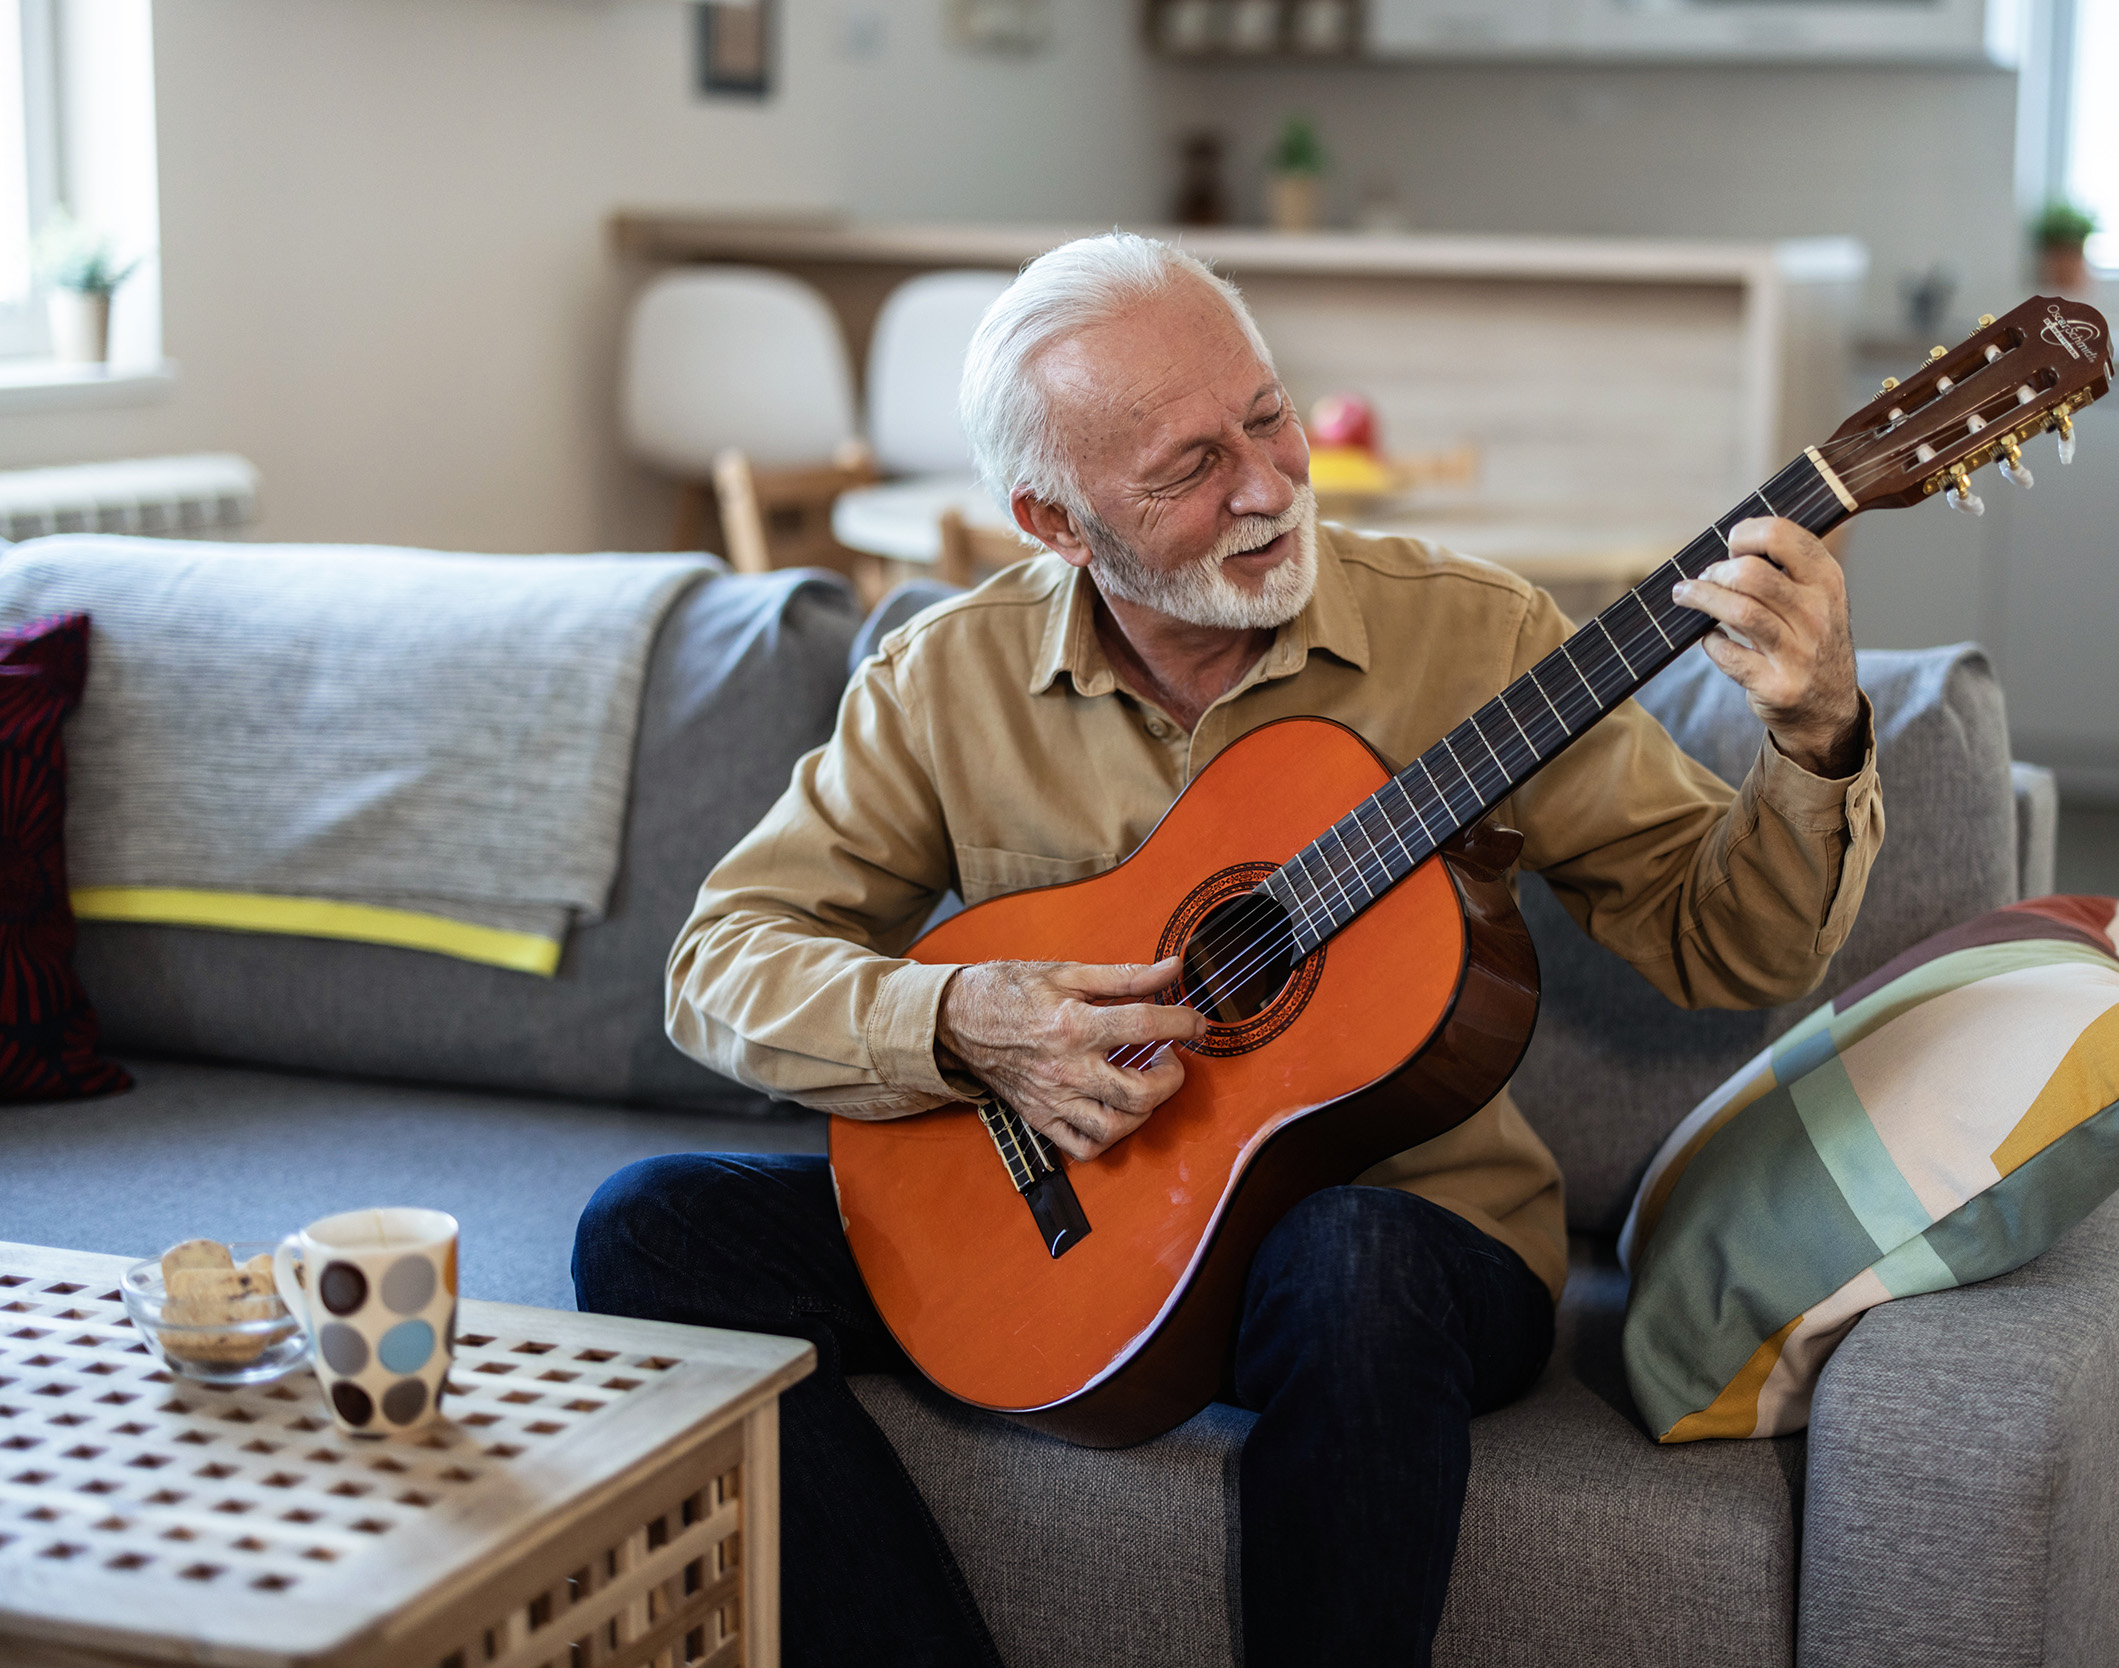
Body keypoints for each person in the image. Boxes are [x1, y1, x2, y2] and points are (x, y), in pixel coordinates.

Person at [573, 232, 1883, 1668]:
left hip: (1402, 1244)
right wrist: (963, 1018)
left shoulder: (1475, 640)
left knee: (1352, 1261)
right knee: (647, 1230)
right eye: (1189, 469)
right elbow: (719, 961)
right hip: (1101, 1233)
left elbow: (1731, 947)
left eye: (1269, 417)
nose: (1266, 487)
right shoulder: (944, 678)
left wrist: (1817, 737)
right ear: (1056, 522)